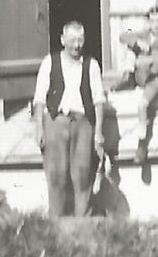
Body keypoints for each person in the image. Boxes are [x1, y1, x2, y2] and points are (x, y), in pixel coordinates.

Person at [31, 20, 110, 218]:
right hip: (56, 122)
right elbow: (39, 98)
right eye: (72, 40)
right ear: (62, 40)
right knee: (56, 174)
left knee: (82, 173)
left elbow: (99, 101)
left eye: (80, 40)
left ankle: (81, 221)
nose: (77, 45)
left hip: (82, 124)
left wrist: (98, 132)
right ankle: (56, 222)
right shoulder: (50, 62)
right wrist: (39, 128)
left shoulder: (91, 65)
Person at [117, 6, 158, 176]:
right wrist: (137, 42)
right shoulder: (146, 34)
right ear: (148, 22)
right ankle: (128, 78)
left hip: (157, 79)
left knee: (142, 105)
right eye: (152, 21)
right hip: (143, 75)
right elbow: (123, 36)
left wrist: (152, 59)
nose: (155, 25)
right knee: (132, 50)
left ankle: (142, 145)